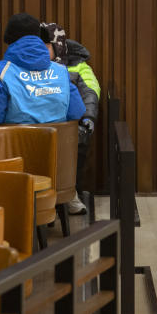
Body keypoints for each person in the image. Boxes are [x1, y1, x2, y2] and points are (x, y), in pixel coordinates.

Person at [0, 13, 85, 125]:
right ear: (37, 36)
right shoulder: (61, 71)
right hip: (57, 142)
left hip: (14, 142)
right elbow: (76, 112)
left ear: (10, 40)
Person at [41, 22, 99, 215]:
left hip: (69, 122)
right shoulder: (33, 65)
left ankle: (69, 193)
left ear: (57, 45)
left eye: (46, 45)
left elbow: (90, 91)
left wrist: (88, 116)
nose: (41, 49)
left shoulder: (78, 66)